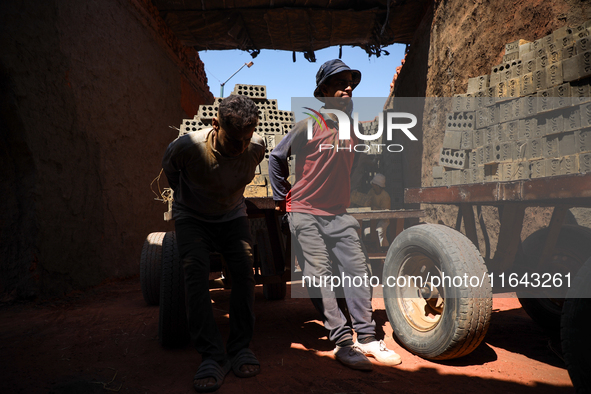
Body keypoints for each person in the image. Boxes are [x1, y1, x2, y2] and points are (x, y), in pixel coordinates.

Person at [269, 59, 402, 371]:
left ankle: (368, 338)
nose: (348, 87)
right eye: (339, 82)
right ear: (324, 91)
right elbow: (277, 157)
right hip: (304, 211)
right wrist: (281, 197)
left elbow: (350, 169)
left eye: (350, 82)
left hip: (338, 213)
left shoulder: (353, 130)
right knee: (321, 275)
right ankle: (343, 343)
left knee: (359, 269)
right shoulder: (308, 124)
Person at [162, 94, 265, 392]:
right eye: (234, 140)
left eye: (246, 139)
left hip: (232, 216)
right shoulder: (187, 148)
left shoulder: (255, 147)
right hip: (192, 217)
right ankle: (211, 356)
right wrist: (192, 199)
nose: (241, 146)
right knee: (195, 276)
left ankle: (241, 347)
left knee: (245, 273)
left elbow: (246, 160)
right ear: (215, 123)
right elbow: (171, 172)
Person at [363, 173, 391, 248]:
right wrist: (366, 203)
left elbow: (385, 213)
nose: (372, 185)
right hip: (374, 219)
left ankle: (382, 251)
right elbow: (366, 201)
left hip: (383, 220)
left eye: (374, 184)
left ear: (377, 185)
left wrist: (373, 208)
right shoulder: (371, 192)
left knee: (379, 233)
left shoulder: (385, 196)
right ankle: (379, 250)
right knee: (367, 232)